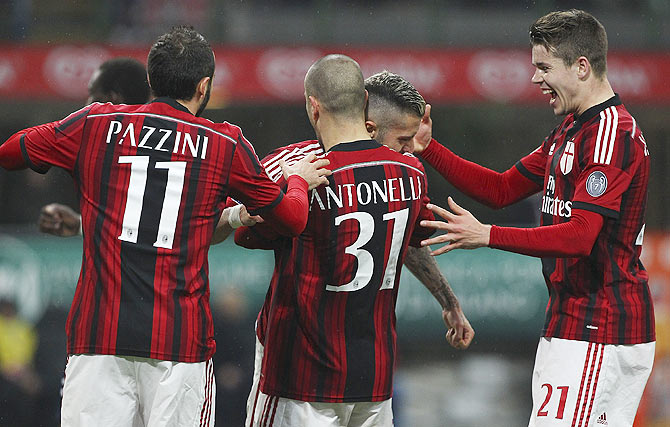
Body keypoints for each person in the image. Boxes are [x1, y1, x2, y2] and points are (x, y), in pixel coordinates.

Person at [0, 25, 330, 426]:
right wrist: (296, 179)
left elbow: (11, 152)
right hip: (179, 346)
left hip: (98, 338)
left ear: (152, 80)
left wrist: (55, 151)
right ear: (204, 86)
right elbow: (292, 219)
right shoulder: (224, 143)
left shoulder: (95, 123)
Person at [415, 10, 655, 427]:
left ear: (581, 67)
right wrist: (429, 147)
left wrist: (488, 235)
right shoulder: (571, 130)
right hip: (574, 322)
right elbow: (501, 188)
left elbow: (581, 236)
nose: (534, 78)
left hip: (600, 326)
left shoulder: (610, 134)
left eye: (544, 67)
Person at [235, 55, 465, 427]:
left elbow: (245, 231)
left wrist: (289, 190)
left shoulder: (296, 167)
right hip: (372, 375)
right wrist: (450, 303)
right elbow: (411, 241)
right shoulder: (411, 172)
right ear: (364, 104)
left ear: (313, 106)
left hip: (300, 372)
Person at [38, 57, 152, 237]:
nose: (87, 103)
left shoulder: (104, 150)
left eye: (93, 94)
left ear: (112, 100)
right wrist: (81, 226)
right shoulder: (166, 141)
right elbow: (144, 225)